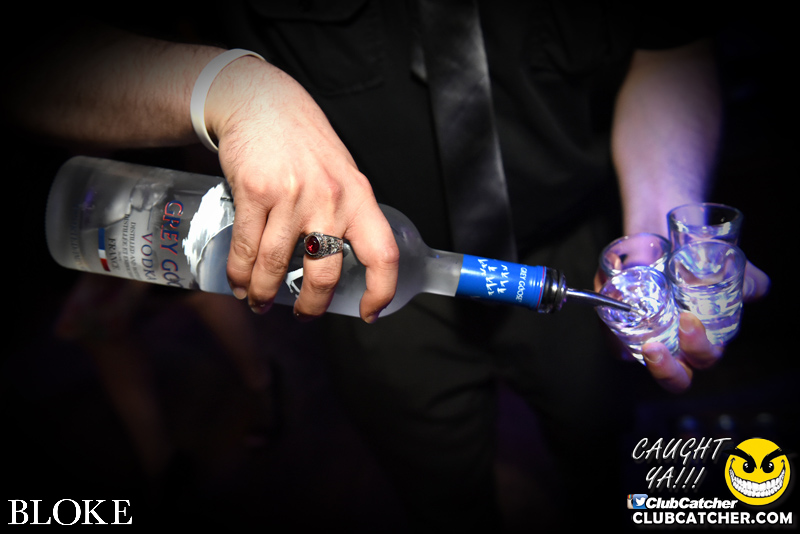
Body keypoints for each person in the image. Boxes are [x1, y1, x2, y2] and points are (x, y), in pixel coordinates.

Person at [5, 1, 770, 530]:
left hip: (574, 248)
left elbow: (671, 44)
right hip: (355, 276)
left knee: (602, 456)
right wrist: (225, 88)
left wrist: (657, 219)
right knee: (438, 491)